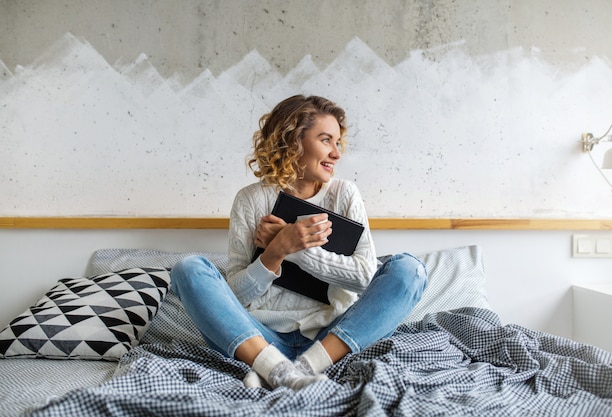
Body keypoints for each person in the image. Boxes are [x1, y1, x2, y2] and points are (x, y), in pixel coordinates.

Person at [171, 95, 428, 390]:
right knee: (188, 269)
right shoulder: (251, 200)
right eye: (325, 140)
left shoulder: (344, 195)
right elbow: (235, 297)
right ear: (293, 141)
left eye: (337, 142)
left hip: (330, 340)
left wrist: (297, 249)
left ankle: (297, 369)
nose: (336, 153)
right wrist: (276, 251)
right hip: (259, 338)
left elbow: (365, 278)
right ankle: (275, 366)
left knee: (411, 269)